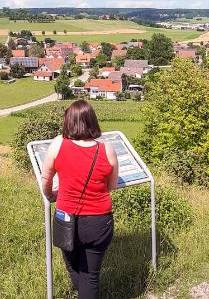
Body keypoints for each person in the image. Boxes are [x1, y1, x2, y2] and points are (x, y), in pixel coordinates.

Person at [41, 100, 119, 299]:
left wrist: (50, 195)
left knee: (73, 266)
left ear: (68, 121)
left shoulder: (58, 144)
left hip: (67, 218)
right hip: (99, 221)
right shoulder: (107, 150)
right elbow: (111, 186)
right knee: (90, 276)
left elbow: (46, 177)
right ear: (92, 121)